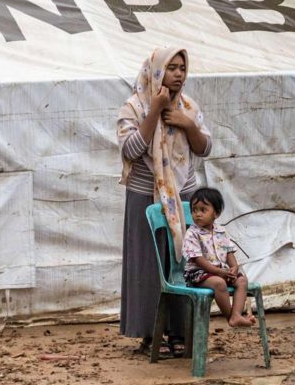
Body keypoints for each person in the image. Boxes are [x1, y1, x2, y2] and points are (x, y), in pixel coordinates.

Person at [117, 47, 212, 357]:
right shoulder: (134, 107)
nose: (179, 74)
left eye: (182, 68)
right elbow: (131, 149)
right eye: (171, 68)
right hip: (146, 196)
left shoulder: (188, 107)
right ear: (156, 71)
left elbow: (204, 147)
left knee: (183, 263)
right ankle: (149, 334)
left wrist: (187, 124)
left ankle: (179, 332)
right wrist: (155, 111)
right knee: (149, 266)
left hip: (184, 195)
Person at [182, 187, 256, 327]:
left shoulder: (221, 231)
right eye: (194, 210)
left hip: (220, 272)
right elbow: (199, 260)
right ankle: (231, 318)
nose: (197, 214)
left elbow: (229, 254)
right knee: (219, 283)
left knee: (242, 281)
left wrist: (233, 268)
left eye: (203, 210)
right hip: (198, 273)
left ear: (216, 213)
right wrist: (219, 272)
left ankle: (236, 315)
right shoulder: (192, 233)